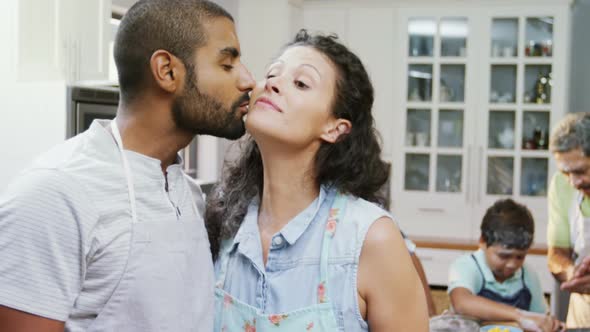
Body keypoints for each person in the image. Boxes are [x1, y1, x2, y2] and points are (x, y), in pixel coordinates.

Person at [0, 1, 254, 331]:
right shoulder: (55, 194)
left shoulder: (187, 193)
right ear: (167, 71)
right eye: (227, 64)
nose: (248, 80)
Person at [205, 30, 429, 331]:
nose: (272, 84)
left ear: (334, 128)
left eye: (300, 83)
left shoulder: (372, 239)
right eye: (272, 74)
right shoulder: (222, 221)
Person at [448, 199, 563, 332]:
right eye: (503, 256)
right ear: (483, 242)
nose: (512, 264)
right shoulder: (466, 266)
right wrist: (520, 316)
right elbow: (462, 303)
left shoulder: (528, 274)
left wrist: (550, 324)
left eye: (520, 256)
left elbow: (540, 317)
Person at [547, 112, 590, 328]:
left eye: (581, 171)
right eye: (566, 172)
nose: (573, 181)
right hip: (583, 316)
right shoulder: (561, 186)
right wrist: (574, 274)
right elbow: (556, 254)